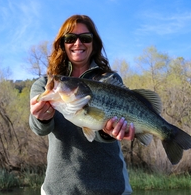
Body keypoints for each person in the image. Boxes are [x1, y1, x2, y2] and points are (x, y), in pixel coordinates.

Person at [29, 14, 135, 195]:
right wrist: (41, 119)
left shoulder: (109, 80)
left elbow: (102, 132)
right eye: (70, 38)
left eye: (85, 38)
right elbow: (39, 129)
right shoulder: (46, 84)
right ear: (62, 43)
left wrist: (108, 131)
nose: (78, 43)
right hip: (59, 188)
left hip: (110, 187)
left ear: (94, 43)